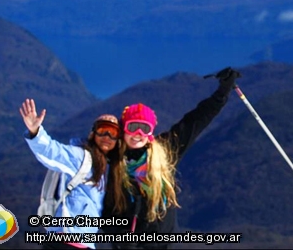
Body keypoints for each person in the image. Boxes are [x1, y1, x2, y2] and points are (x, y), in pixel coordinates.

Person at [102, 67, 241, 249]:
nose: (137, 134)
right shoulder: (113, 156)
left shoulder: (165, 150)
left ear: (151, 132)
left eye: (143, 128)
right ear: (123, 129)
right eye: (132, 127)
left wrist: (222, 92)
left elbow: (195, 121)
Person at [21, 98, 120, 249]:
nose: (107, 136)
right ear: (93, 134)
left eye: (113, 133)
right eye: (102, 130)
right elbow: (52, 151)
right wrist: (36, 132)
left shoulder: (110, 168)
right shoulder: (80, 157)